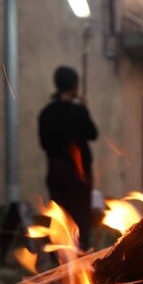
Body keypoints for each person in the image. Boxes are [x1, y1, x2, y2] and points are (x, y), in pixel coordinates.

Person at [38, 66, 98, 252]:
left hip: (55, 170)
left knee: (59, 214)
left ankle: (59, 258)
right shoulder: (78, 112)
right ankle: (80, 257)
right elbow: (92, 133)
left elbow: (44, 144)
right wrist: (83, 109)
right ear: (74, 86)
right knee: (80, 216)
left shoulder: (46, 113)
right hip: (78, 172)